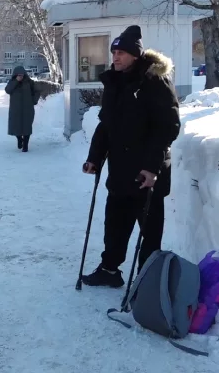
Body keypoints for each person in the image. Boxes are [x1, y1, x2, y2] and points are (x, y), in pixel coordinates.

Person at [81, 25, 181, 288]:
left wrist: (151, 168)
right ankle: (110, 270)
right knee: (114, 225)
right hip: (120, 170)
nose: (116, 57)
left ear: (136, 55)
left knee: (149, 233)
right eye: (114, 52)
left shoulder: (154, 81)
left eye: (122, 53)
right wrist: (95, 158)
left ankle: (145, 281)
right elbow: (106, 125)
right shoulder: (115, 82)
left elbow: (167, 127)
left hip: (146, 174)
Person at [5, 66, 38, 152]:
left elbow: (36, 91)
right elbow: (8, 90)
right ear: (15, 75)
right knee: (16, 125)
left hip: (28, 108)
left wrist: (34, 101)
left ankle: (25, 145)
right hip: (16, 109)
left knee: (27, 126)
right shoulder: (12, 82)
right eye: (18, 75)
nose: (20, 76)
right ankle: (19, 139)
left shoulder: (29, 82)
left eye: (22, 75)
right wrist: (16, 81)